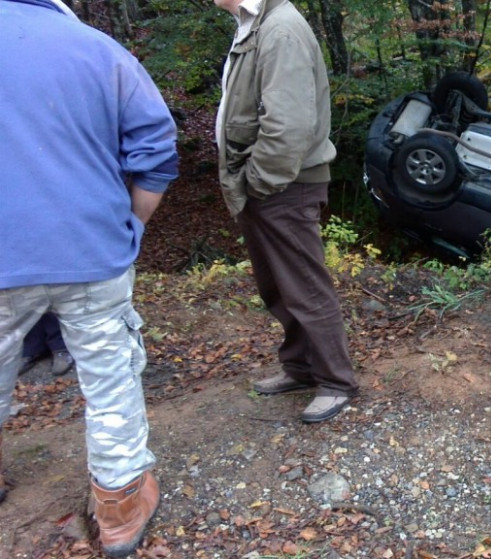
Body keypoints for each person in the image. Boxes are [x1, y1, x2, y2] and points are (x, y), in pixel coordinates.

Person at [0, 1, 179, 556]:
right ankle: (120, 509)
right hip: (91, 247)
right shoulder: (99, 50)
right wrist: (132, 227)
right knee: (110, 378)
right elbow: (157, 148)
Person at [213, 0, 359, 423]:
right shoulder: (256, 25)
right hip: (271, 184)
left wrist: (257, 182)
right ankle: (301, 368)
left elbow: (288, 126)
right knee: (279, 286)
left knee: (305, 287)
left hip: (283, 185)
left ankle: (336, 381)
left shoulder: (279, 30)